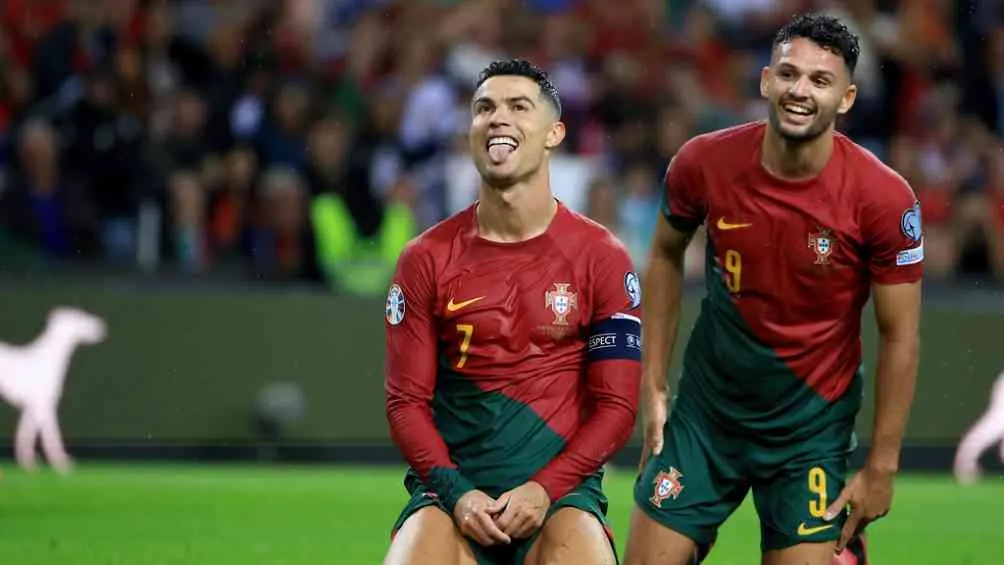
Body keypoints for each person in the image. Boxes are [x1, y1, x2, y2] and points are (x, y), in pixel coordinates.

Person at [624, 14, 922, 565]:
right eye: (789, 74)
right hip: (707, 416)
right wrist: (654, 386)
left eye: (819, 80)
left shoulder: (883, 199)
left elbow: (900, 333)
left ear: (847, 97)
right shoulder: (703, 163)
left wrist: (882, 464)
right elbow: (664, 256)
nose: (800, 91)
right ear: (766, 81)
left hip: (809, 429)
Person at [383, 59, 643, 565]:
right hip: (449, 499)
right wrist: (457, 493)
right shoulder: (425, 259)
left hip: (561, 500)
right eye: (484, 108)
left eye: (518, 107)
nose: (497, 118)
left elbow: (616, 409)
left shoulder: (602, 258)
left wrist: (545, 489)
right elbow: (405, 404)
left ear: (554, 133)